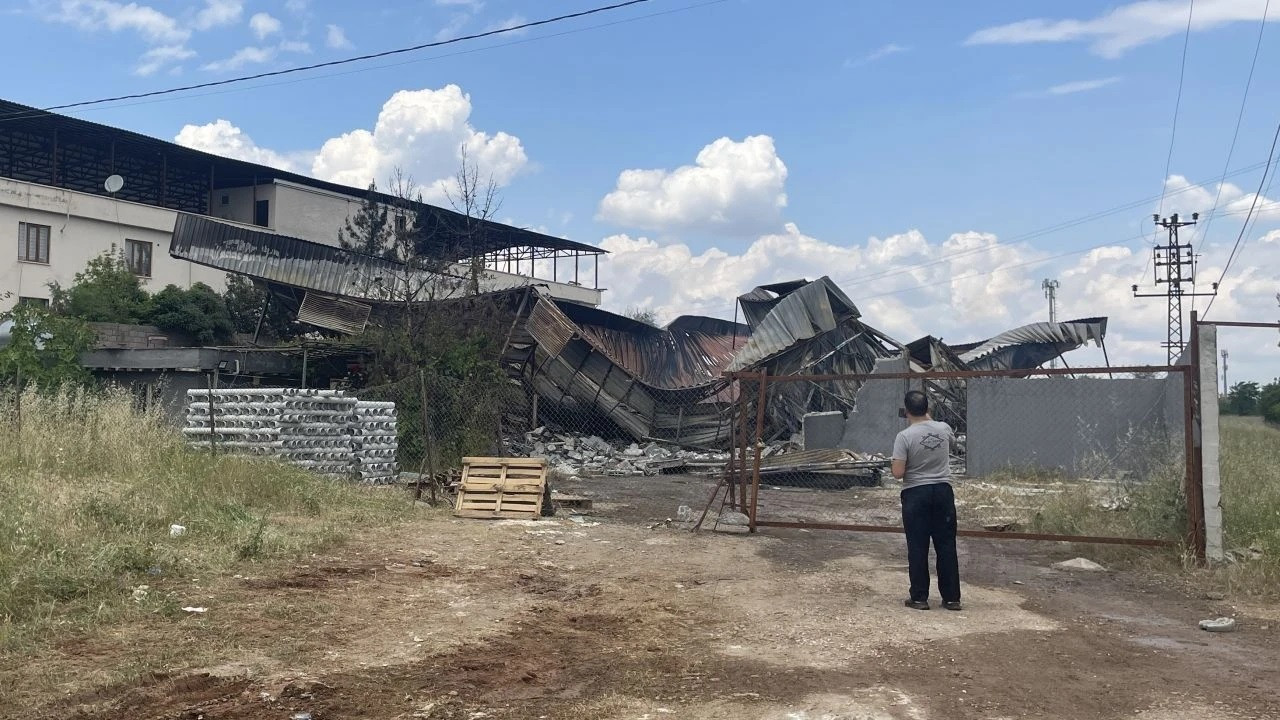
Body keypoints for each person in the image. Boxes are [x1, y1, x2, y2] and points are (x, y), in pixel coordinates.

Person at [891, 390, 961, 611]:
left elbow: (898, 472)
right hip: (942, 490)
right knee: (946, 545)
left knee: (918, 545)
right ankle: (952, 598)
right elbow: (952, 444)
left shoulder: (904, 436)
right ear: (927, 408)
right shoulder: (944, 429)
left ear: (907, 410)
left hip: (916, 493)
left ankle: (919, 597)